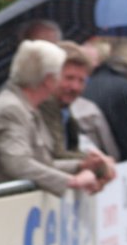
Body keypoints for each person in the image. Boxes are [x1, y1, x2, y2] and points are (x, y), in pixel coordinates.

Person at [0, 40, 102, 196]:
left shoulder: (26, 108)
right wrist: (72, 181)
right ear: (48, 79)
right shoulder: (12, 109)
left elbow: (42, 164)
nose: (70, 84)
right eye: (61, 75)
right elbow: (18, 164)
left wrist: (80, 166)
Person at [37, 41, 117, 189]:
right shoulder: (44, 105)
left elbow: (70, 150)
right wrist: (97, 163)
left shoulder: (64, 109)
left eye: (81, 80)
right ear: (51, 76)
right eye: (69, 78)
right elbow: (57, 154)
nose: (75, 87)